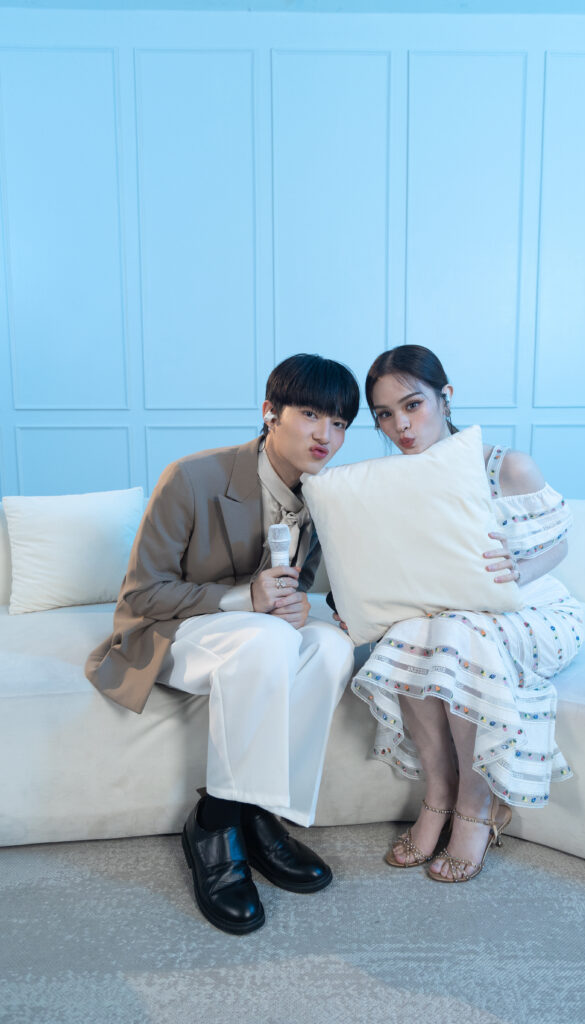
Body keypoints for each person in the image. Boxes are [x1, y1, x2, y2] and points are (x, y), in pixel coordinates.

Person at [86, 353, 359, 933]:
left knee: (333, 648)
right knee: (265, 641)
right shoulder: (193, 477)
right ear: (270, 412)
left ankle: (256, 812)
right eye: (311, 414)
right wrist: (247, 599)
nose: (326, 435)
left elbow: (299, 584)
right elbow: (143, 594)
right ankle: (214, 825)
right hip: (169, 630)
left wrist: (295, 605)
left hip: (255, 634)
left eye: (339, 423)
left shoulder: (322, 497)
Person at [347, 345, 582, 883]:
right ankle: (439, 793)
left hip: (534, 610)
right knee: (411, 630)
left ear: (445, 397)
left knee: (456, 631)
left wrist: (519, 569)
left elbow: (559, 545)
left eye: (413, 405)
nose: (401, 426)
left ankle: (476, 807)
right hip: (452, 617)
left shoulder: (506, 466)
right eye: (385, 414)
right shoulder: (393, 482)